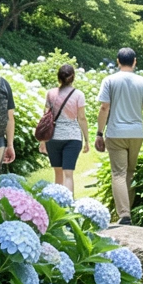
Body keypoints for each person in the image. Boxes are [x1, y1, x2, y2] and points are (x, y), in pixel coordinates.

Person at [96, 47, 143, 225]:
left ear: (117, 61)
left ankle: (124, 215)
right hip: (136, 133)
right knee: (130, 172)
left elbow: (104, 108)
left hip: (116, 132)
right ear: (135, 61)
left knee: (118, 174)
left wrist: (99, 133)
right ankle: (127, 213)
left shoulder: (109, 80)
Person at [39, 64, 89, 192]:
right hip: (73, 138)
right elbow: (82, 118)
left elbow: (46, 117)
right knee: (68, 175)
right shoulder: (78, 95)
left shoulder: (51, 93)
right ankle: (69, 206)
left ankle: (58, 204)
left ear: (58, 77)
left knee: (58, 174)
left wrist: (42, 141)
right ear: (73, 77)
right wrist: (87, 140)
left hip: (53, 137)